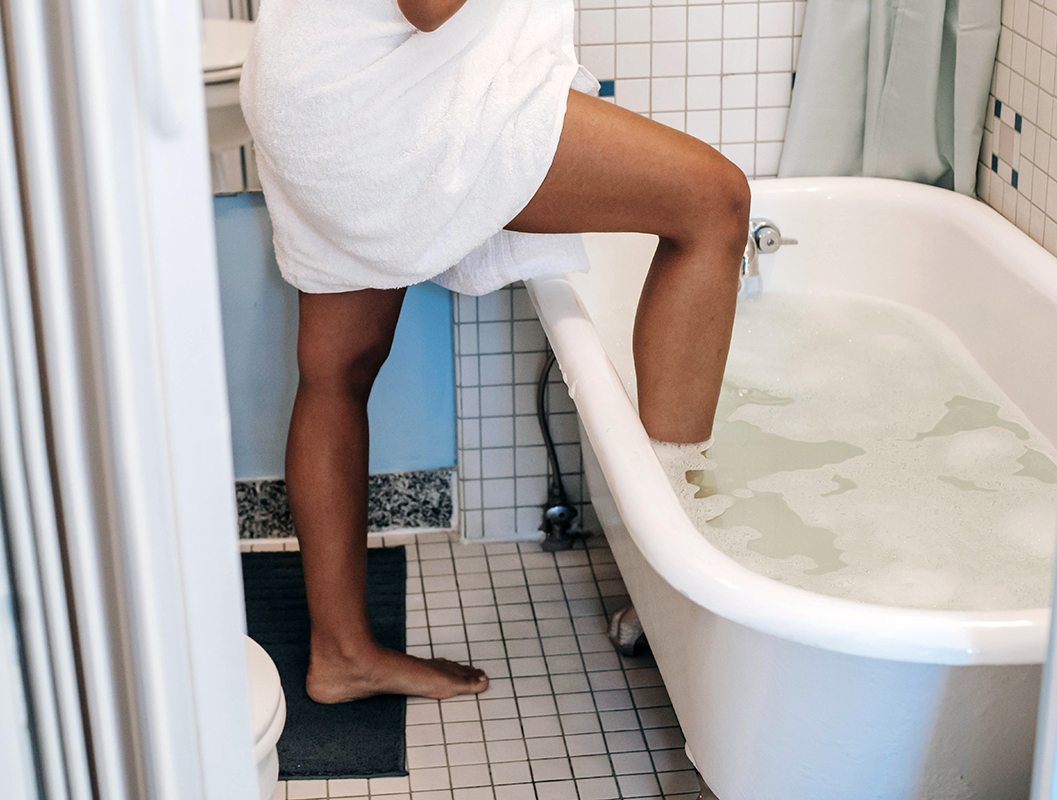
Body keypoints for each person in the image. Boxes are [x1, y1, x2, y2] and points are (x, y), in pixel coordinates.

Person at [241, 0, 750, 704]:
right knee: (714, 203)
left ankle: (342, 654)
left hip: (320, 83)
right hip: (379, 98)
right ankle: (677, 578)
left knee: (337, 373)